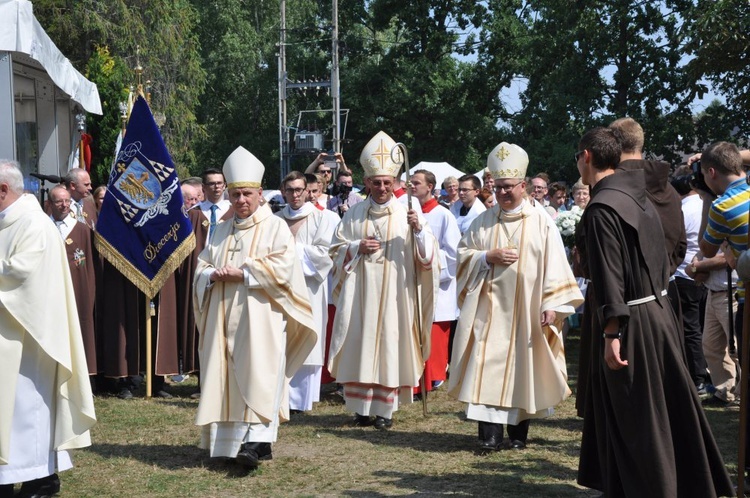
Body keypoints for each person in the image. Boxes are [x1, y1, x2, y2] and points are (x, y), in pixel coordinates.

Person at [574, 128, 733, 497]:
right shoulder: (639, 195)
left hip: (632, 322)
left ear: (586, 157)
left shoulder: (601, 208)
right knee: (661, 415)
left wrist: (612, 332)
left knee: (639, 420)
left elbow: (610, 274)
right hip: (658, 312)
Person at [448, 142, 583, 451]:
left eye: (510, 187)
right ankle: (490, 437)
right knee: (486, 367)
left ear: (523, 186)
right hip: (489, 310)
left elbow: (555, 265)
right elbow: (464, 256)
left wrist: (553, 305)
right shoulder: (483, 221)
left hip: (528, 311)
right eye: (499, 187)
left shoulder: (541, 222)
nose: (505, 193)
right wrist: (486, 257)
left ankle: (518, 434)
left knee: (524, 369)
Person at [193, 146, 316, 469]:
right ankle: (231, 444)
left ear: (260, 194)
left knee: (260, 374)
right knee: (226, 378)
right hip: (222, 317)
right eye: (235, 195)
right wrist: (209, 275)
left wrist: (244, 273)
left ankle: (257, 441)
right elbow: (200, 267)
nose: (240, 201)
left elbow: (285, 268)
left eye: (246, 194)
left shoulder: (274, 227)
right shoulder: (220, 230)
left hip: (260, 316)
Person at [328, 131, 438, 430]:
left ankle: (385, 412)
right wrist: (355, 247)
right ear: (366, 183)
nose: (381, 187)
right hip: (360, 292)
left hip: (394, 295)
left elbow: (428, 259)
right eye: (375, 182)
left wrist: (418, 232)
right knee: (360, 345)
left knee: (390, 345)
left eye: (387, 183)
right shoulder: (353, 214)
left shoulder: (409, 214)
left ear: (396, 184)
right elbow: (336, 249)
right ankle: (361, 409)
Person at [0, 159, 96, 497]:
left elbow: (21, 275)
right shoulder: (8, 221)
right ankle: (7, 475)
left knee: (26, 409)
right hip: (7, 336)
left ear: (2, 190)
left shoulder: (33, 225)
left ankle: (41, 476)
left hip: (29, 339)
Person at [275, 171, 337, 412]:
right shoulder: (276, 219)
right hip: (281, 287)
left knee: (307, 338)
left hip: (310, 289)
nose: (294, 195)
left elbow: (325, 256)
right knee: (282, 340)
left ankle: (301, 401)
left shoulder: (323, 219)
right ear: (283, 191)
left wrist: (290, 250)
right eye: (289, 190)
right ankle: (281, 397)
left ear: (307, 191)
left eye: (299, 190)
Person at [410, 169, 460, 395]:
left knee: (434, 333)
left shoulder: (443, 215)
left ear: (430, 187)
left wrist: (428, 259)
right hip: (412, 284)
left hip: (437, 284)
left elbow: (453, 253)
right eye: (410, 183)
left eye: (417, 183)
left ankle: (433, 377)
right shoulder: (408, 212)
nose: (412, 186)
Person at [48, 185, 98, 378]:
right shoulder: (44, 228)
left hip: (78, 291)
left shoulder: (83, 230)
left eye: (67, 201)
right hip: (51, 291)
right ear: (49, 203)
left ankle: (84, 377)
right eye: (59, 201)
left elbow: (90, 266)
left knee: (79, 329)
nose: (64, 205)